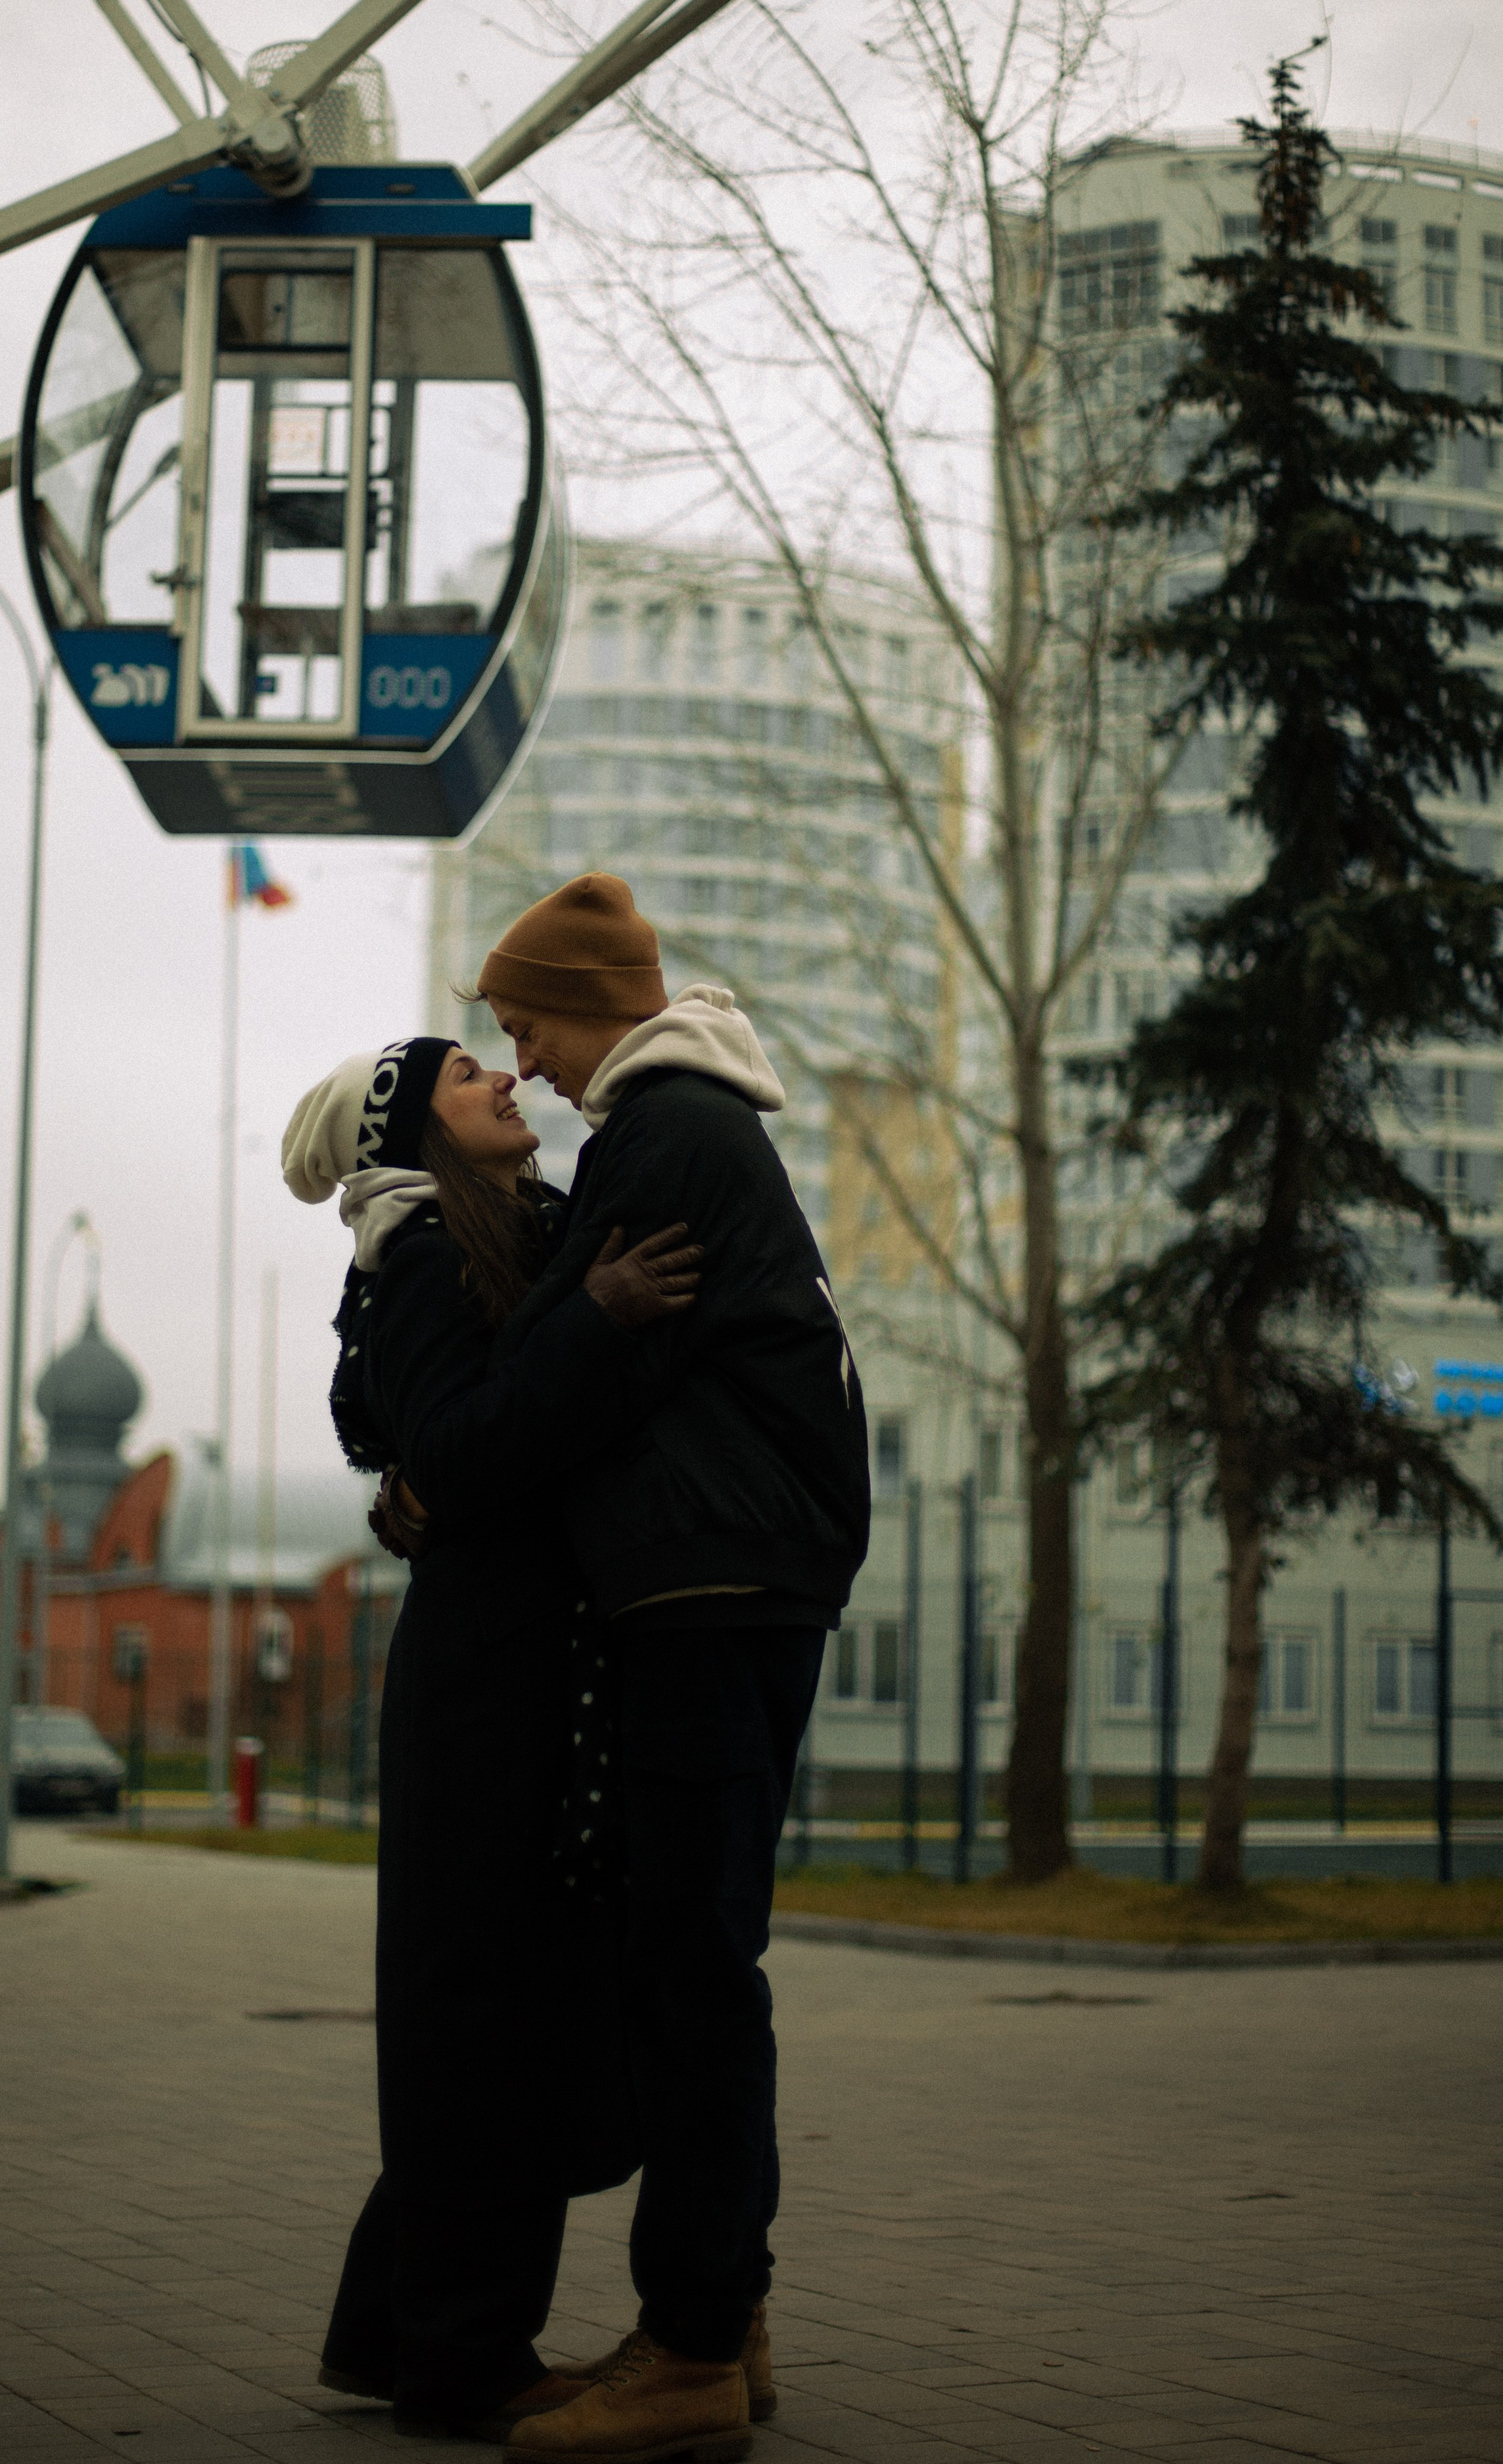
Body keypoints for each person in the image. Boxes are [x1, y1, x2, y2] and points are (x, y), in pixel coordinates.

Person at [464, 873, 873, 2464]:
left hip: (714, 1579)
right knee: (691, 1957)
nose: (529, 1064)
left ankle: (693, 2348)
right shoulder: (685, 1127)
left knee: (689, 1966)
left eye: (527, 1027)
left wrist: (442, 1457)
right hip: (732, 1577)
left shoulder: (666, 1131)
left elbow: (534, 1378)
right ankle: (728, 2316)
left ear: (586, 1002)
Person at [281, 1031, 702, 2442]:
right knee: (481, 2020)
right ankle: (465, 2362)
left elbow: (434, 1458)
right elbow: (452, 1449)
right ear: (415, 1132)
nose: (506, 1084)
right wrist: (596, 1312)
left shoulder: (513, 1232)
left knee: (494, 2013)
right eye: (472, 1078)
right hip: (484, 1697)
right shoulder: (417, 1259)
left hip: (526, 1681)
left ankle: (396, 2331)